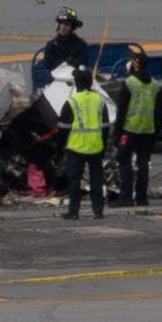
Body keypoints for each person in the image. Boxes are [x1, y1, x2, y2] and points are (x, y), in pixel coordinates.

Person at [58, 68, 110, 220]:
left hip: (76, 147)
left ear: (77, 84)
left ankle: (73, 212)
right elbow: (106, 126)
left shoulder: (72, 101)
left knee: (75, 180)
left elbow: (63, 127)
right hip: (96, 146)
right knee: (97, 180)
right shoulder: (100, 101)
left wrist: (63, 145)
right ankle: (98, 211)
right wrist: (103, 145)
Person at [112, 61, 159, 207]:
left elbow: (122, 110)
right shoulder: (154, 84)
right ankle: (142, 198)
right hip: (148, 128)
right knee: (143, 164)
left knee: (123, 160)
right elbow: (157, 109)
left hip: (131, 128)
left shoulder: (129, 83)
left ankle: (126, 197)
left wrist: (117, 133)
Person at [42, 8, 89, 76]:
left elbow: (82, 63)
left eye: (66, 24)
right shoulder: (51, 45)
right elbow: (48, 64)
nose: (63, 27)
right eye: (61, 23)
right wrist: (65, 63)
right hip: (55, 80)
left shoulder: (80, 45)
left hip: (75, 79)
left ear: (72, 27)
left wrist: (68, 64)